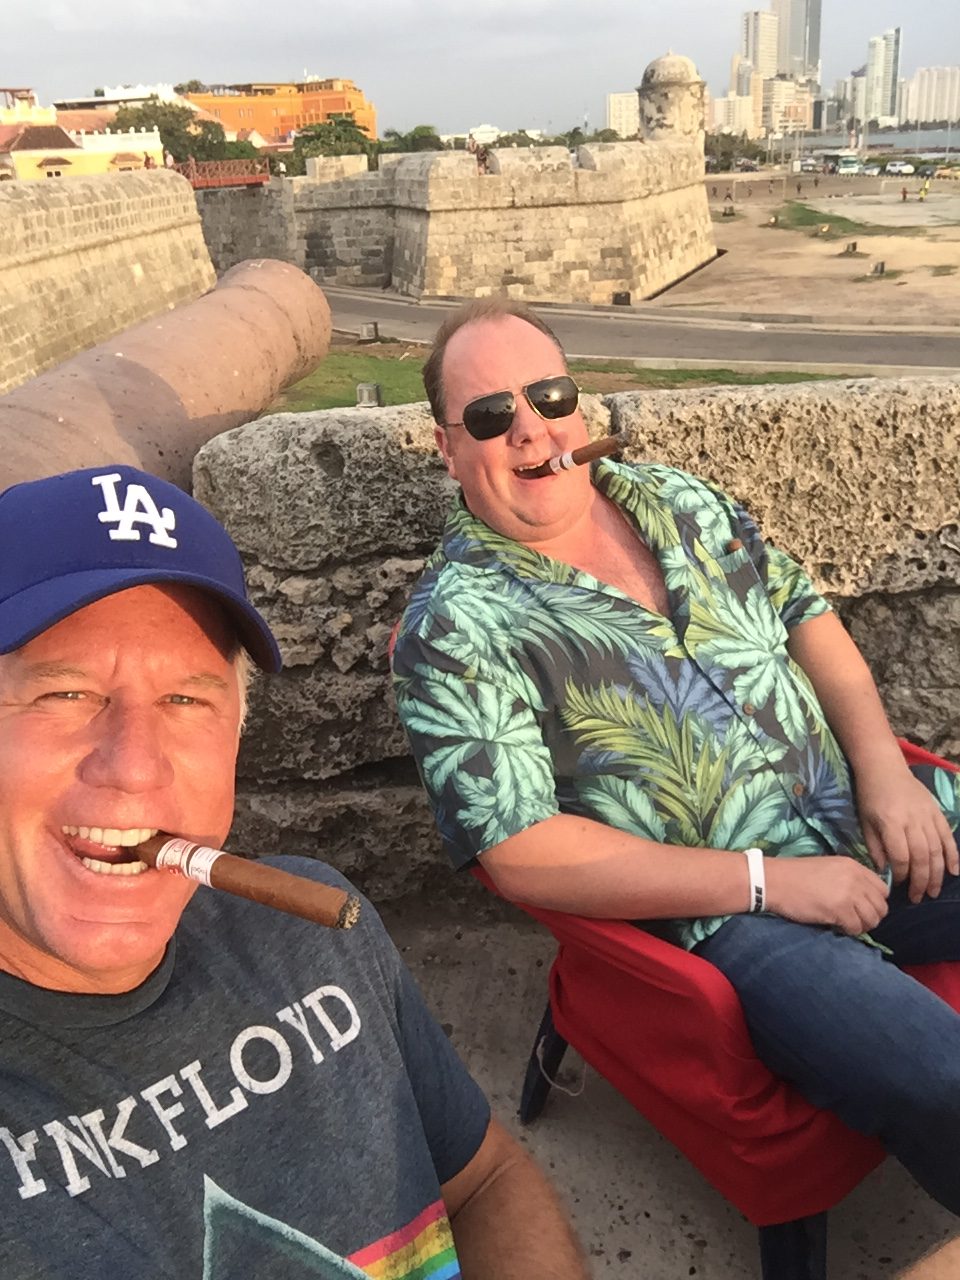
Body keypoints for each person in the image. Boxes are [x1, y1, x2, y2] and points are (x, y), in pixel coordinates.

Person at [392, 297, 960, 1219]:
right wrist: (770, 882)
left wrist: (886, 773)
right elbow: (519, 850)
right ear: (448, 448)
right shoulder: (454, 626)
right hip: (728, 916)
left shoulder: (676, 499)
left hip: (857, 812)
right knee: (943, 1078)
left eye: (549, 395)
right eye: (491, 415)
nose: (531, 428)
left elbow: (804, 615)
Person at [0, 465, 587, 1279]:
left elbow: (484, 1181)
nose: (134, 767)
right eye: (64, 694)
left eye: (186, 701)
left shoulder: (315, 924)